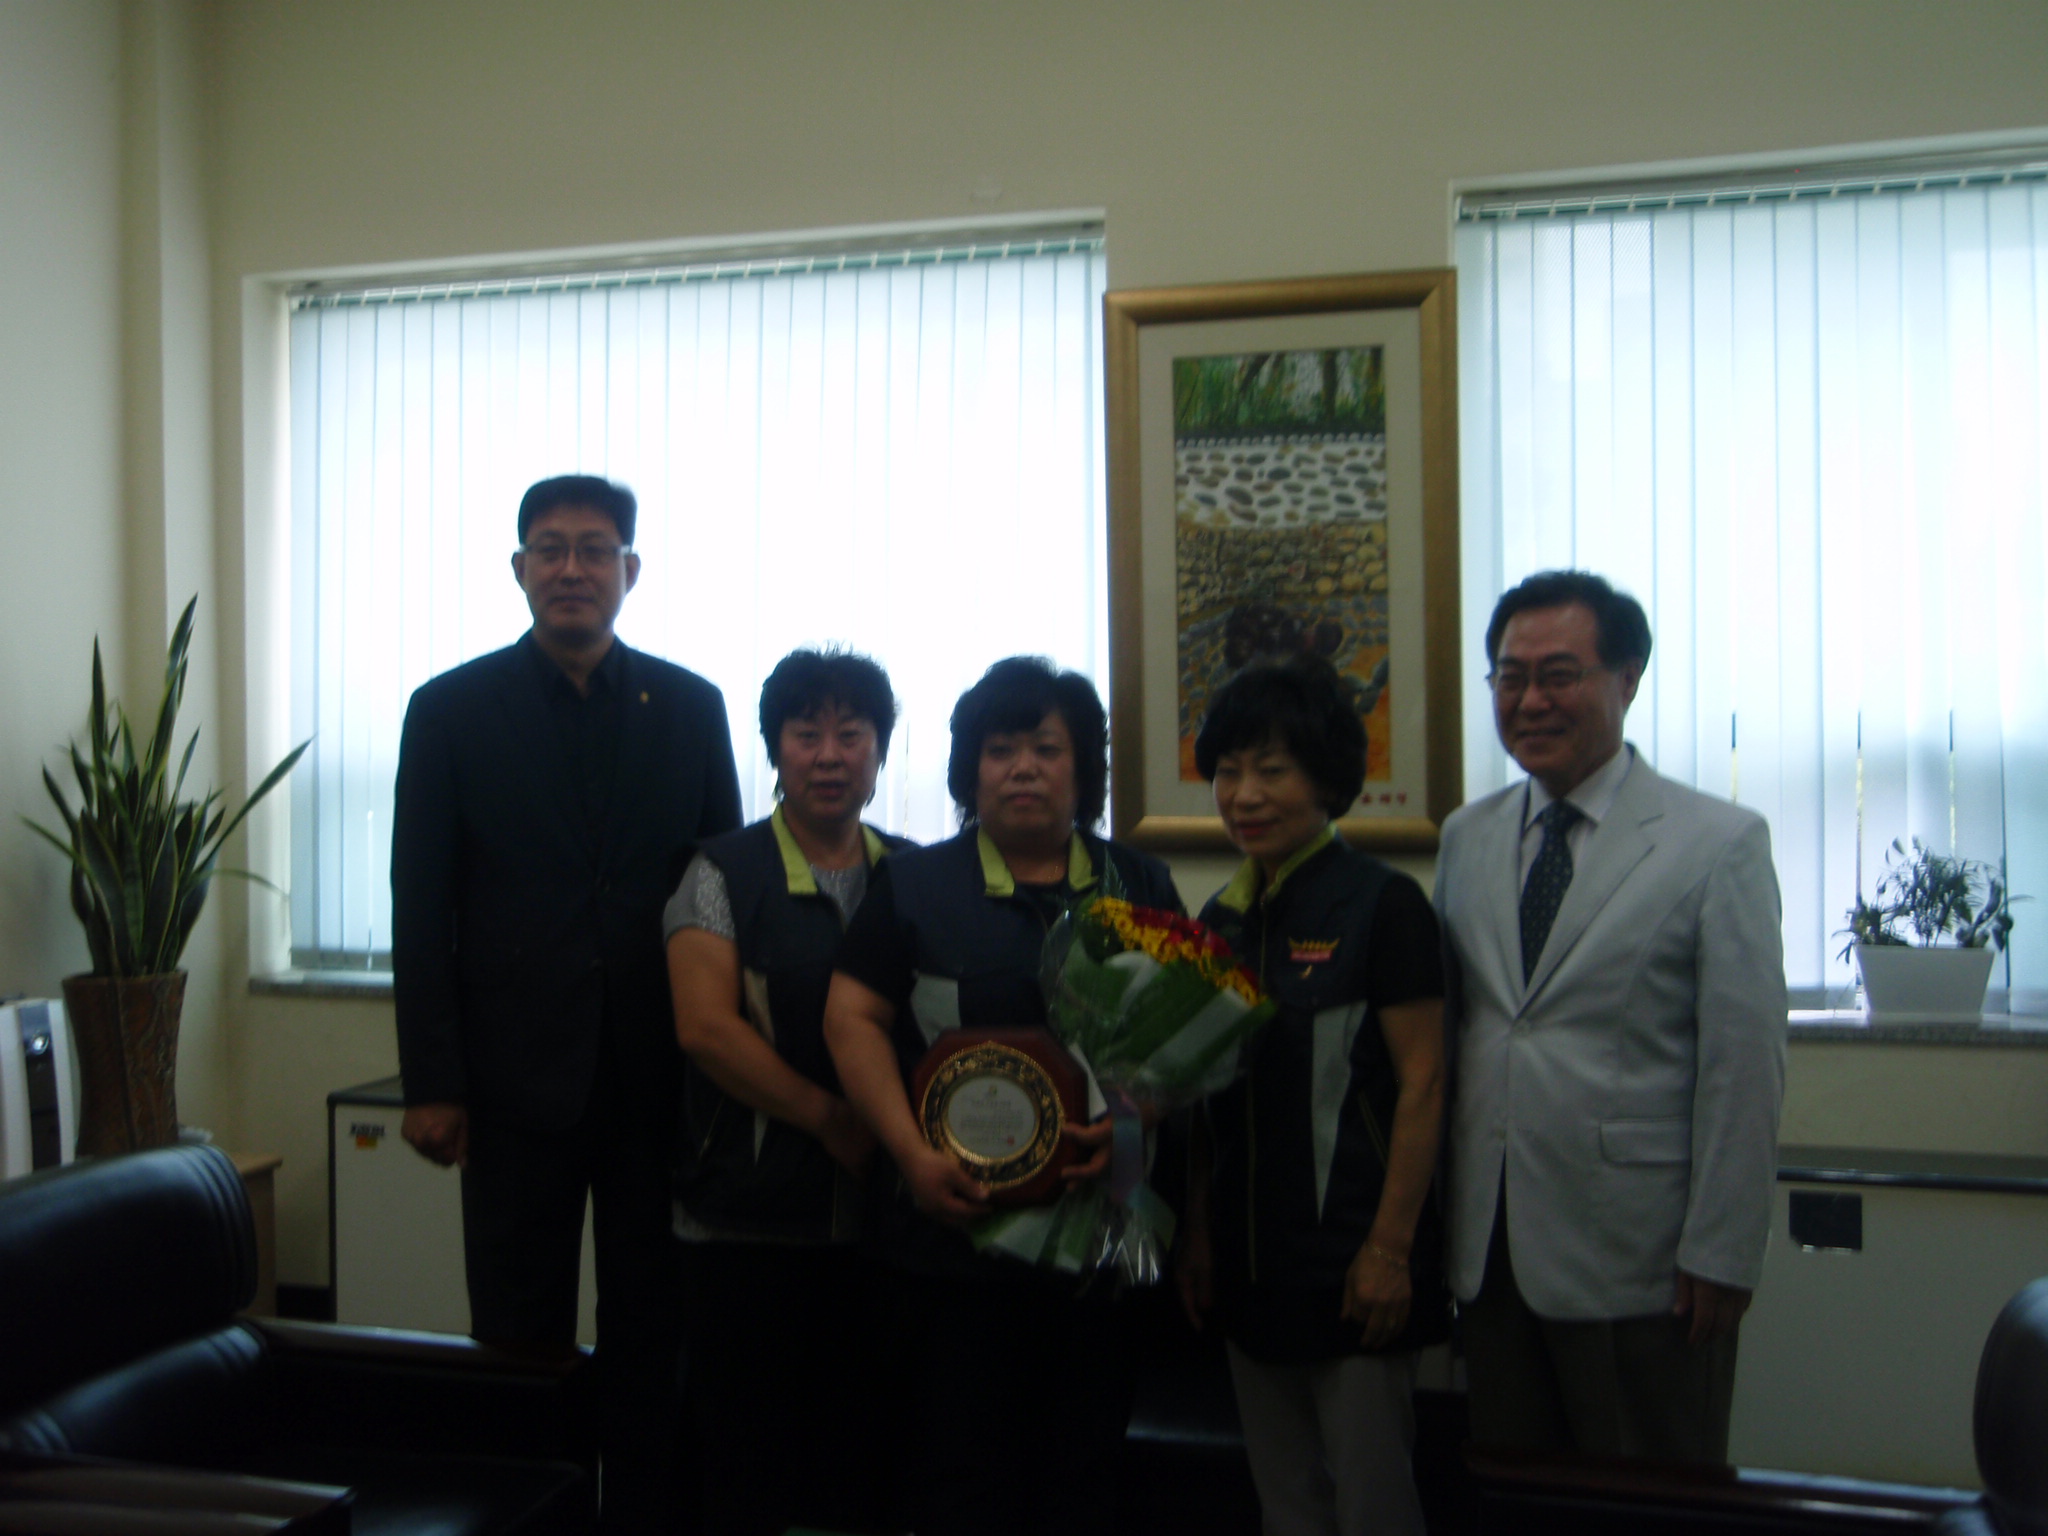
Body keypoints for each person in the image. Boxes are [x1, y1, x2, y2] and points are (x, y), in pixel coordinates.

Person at [391, 473, 743, 1532]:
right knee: (515, 1330)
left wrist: (723, 1067)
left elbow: (718, 895)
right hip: (510, 1088)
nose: (572, 569)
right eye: (550, 549)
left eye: (595, 550)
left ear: (630, 570)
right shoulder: (448, 711)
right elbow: (422, 907)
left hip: (656, 1081)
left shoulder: (691, 707)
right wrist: (433, 1082)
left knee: (652, 1329)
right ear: (519, 570)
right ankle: (525, 1515)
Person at [823, 656, 1183, 1536]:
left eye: (1046, 749)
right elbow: (851, 1019)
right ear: (969, 770)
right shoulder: (917, 886)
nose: (1023, 768)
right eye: (1000, 750)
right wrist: (910, 1155)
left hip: (1098, 1243)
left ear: (1083, 769)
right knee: (960, 1476)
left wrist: (1132, 1124)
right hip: (952, 1247)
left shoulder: (1140, 885)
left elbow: (1177, 1041)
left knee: (1081, 1473)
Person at [1436, 569, 1786, 1462]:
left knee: (1650, 1500)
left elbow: (1744, 1066)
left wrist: (1724, 1249)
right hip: (1491, 1252)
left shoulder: (1717, 843)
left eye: (1560, 675)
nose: (1531, 701)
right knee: (1514, 1498)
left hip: (1645, 1259)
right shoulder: (1467, 837)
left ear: (1628, 679)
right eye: (1511, 678)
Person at [1177, 652, 1447, 1536]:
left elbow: (1425, 1082)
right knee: (1286, 1505)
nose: (1244, 795)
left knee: (1373, 1508)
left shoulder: (1384, 906)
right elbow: (1206, 1097)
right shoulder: (1217, 921)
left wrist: (1390, 1251)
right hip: (1249, 1273)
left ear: (1328, 782)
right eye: (1227, 772)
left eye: (1272, 770)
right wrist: (1199, 1234)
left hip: (1353, 1270)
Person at [664, 647, 911, 1536]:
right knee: (749, 1462)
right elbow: (705, 1029)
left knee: (865, 1455)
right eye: (807, 734)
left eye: (852, 734)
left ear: (881, 750)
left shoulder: (913, 874)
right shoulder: (719, 872)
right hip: (748, 1218)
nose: (830, 755)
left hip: (883, 1225)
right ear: (774, 750)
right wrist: (830, 1120)